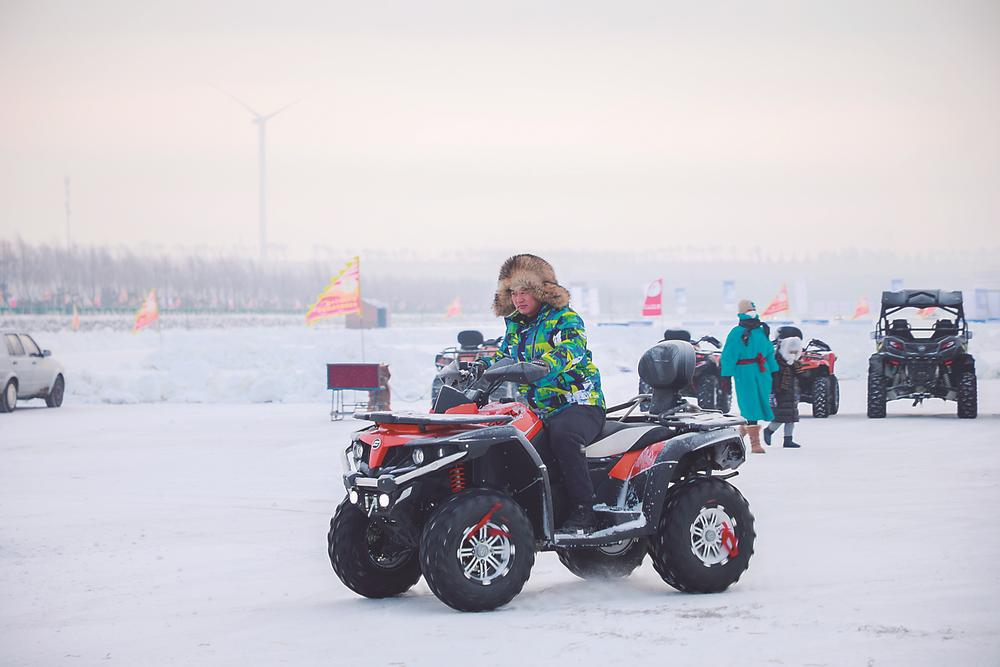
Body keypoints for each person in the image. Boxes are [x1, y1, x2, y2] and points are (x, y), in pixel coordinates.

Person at [477, 254, 606, 532]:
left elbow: (572, 349)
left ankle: (585, 511)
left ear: (540, 291)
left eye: (524, 291)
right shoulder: (516, 324)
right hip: (539, 408)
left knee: (564, 436)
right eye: (513, 292)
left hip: (578, 402)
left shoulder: (566, 318)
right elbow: (504, 357)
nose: (518, 299)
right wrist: (478, 367)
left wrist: (546, 364)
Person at [720, 299, 778, 454]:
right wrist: (726, 376)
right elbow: (728, 356)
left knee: (760, 403)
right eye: (748, 310)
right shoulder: (737, 332)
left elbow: (769, 352)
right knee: (750, 404)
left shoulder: (762, 330)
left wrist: (775, 371)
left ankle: (739, 435)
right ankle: (755, 444)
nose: (751, 312)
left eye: (753, 309)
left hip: (762, 372)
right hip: (744, 372)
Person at [764, 335, 804, 448]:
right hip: (781, 392)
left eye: (796, 352)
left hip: (791, 393)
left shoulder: (794, 364)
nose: (793, 354)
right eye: (791, 351)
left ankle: (788, 439)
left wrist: (796, 366)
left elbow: (800, 375)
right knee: (781, 417)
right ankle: (769, 430)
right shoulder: (778, 362)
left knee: (791, 418)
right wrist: (776, 391)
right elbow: (774, 378)